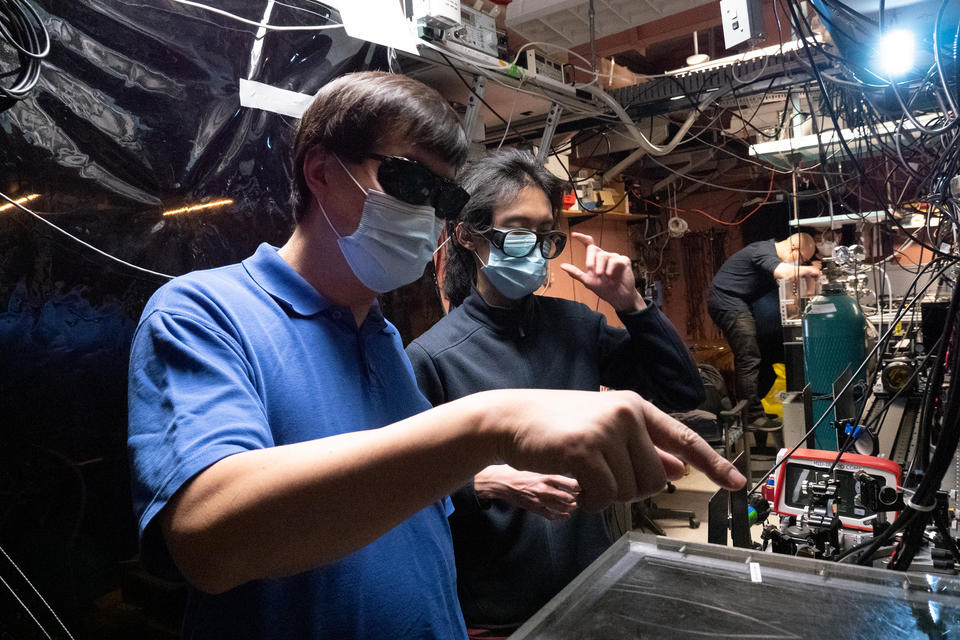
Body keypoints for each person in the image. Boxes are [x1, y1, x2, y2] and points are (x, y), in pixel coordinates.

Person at [127, 71, 745, 639]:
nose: (426, 215)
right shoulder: (205, 313)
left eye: (442, 199)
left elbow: (413, 521)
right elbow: (209, 541)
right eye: (409, 182)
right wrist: (490, 426)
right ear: (320, 172)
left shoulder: (383, 342)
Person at [405, 148, 705, 636]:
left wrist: (631, 303)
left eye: (545, 233)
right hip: (494, 609)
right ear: (467, 235)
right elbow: (407, 487)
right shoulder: (433, 357)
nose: (536, 244)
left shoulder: (576, 325)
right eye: (518, 228)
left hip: (592, 582)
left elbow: (680, 389)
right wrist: (487, 483)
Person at [707, 233, 821, 427]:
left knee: (764, 357)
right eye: (802, 258)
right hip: (727, 301)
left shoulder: (773, 260)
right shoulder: (763, 251)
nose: (800, 263)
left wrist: (810, 278)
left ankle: (751, 410)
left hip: (741, 302)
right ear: (794, 248)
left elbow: (800, 299)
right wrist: (810, 269)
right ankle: (751, 417)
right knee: (748, 357)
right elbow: (785, 273)